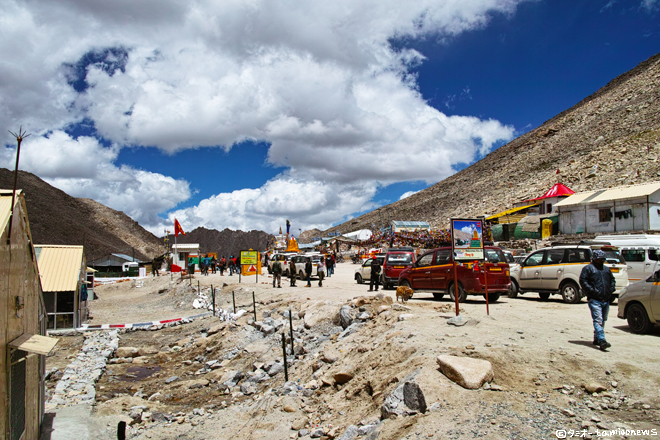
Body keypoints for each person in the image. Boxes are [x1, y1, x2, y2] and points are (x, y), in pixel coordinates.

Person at [579, 249, 615, 350]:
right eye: (600, 259)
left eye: (603, 259)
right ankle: (602, 340)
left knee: (603, 320)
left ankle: (597, 338)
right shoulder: (588, 269)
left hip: (605, 299)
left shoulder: (606, 270)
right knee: (598, 320)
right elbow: (583, 281)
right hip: (594, 299)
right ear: (594, 259)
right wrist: (592, 291)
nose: (601, 261)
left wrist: (611, 289)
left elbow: (612, 280)